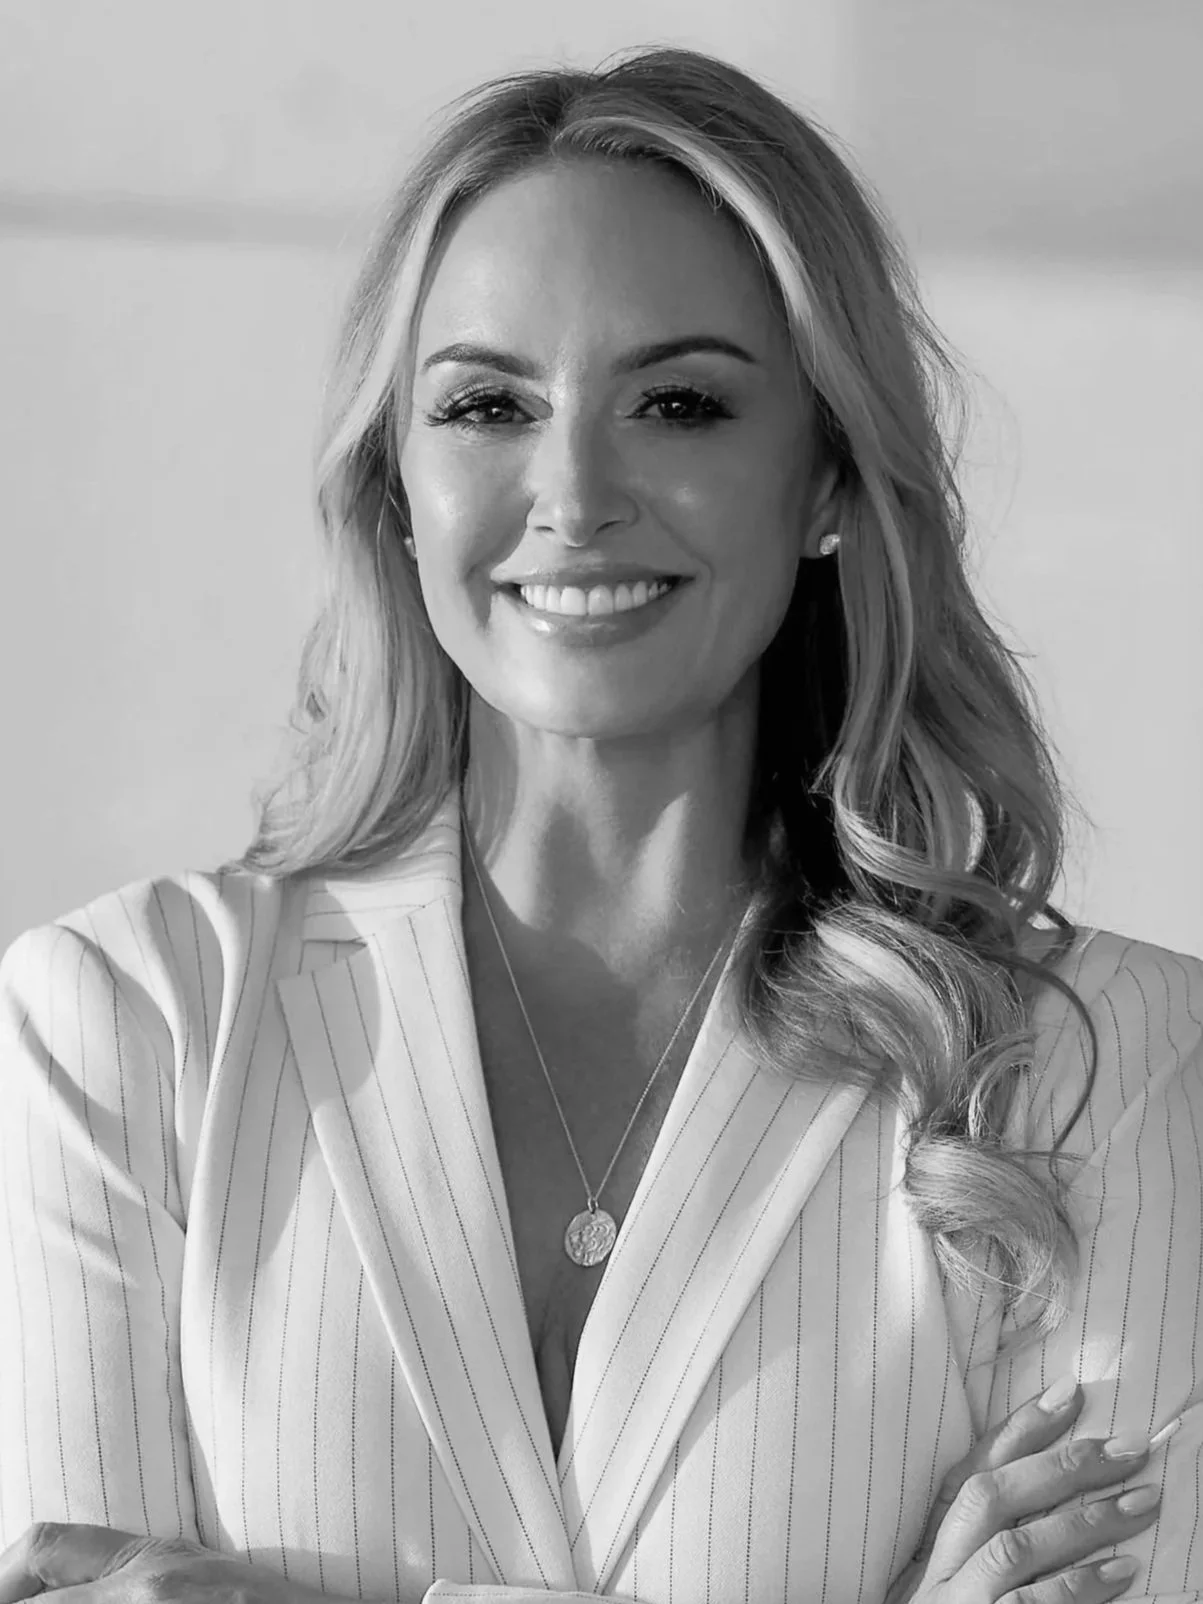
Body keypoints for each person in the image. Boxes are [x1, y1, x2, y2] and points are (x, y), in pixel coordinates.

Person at [0, 42, 1200, 1604]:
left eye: (678, 404)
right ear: (396, 488)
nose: (572, 492)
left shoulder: (1110, 1065)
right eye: (486, 404)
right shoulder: (128, 1025)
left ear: (828, 480)